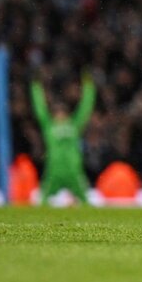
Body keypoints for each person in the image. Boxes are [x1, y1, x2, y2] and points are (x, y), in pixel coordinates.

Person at [30, 72, 96, 204]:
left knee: (86, 202)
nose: (60, 114)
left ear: (66, 113)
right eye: (57, 111)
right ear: (54, 113)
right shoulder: (48, 125)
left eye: (62, 111)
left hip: (74, 171)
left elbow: (85, 107)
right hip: (54, 171)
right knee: (42, 202)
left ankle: (95, 224)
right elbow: (39, 107)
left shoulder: (74, 124)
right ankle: (41, 224)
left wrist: (89, 87)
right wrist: (35, 87)